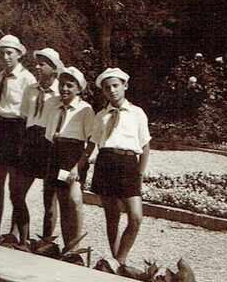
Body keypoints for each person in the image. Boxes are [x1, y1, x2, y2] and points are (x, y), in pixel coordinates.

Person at [89, 67, 152, 267]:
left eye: (116, 85)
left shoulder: (137, 113)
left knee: (136, 216)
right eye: (107, 88)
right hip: (106, 163)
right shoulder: (101, 116)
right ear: (103, 91)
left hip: (128, 164)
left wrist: (140, 173)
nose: (112, 90)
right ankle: (117, 265)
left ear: (125, 86)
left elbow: (145, 146)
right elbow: (94, 143)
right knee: (112, 216)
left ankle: (120, 258)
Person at [10, 47, 62, 246]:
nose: (37, 67)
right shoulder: (30, 90)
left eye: (42, 64)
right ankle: (24, 240)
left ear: (54, 68)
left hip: (50, 145)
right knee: (17, 193)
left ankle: (45, 244)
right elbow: (24, 118)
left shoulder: (61, 92)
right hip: (31, 142)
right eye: (37, 64)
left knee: (49, 200)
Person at [41, 66, 95, 255]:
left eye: (70, 86)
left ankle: (75, 246)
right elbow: (49, 134)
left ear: (78, 89)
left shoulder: (85, 109)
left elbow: (91, 141)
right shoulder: (54, 105)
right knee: (63, 201)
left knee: (74, 199)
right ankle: (67, 248)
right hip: (56, 154)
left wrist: (78, 166)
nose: (64, 89)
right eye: (62, 85)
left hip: (73, 157)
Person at [0, 34, 36, 240]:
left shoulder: (27, 79)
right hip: (1, 127)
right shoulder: (0, 75)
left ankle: (14, 233)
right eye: (3, 54)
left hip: (18, 129)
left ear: (19, 54)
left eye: (10, 53)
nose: (6, 57)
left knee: (15, 186)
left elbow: (30, 111)